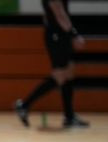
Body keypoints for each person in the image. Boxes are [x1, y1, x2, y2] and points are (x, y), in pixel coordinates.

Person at [15, 0, 89, 128]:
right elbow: (59, 14)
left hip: (60, 34)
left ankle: (69, 116)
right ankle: (24, 105)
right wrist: (74, 34)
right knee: (59, 75)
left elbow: (52, 14)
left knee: (69, 72)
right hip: (56, 36)